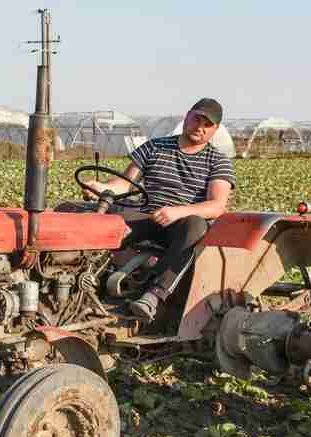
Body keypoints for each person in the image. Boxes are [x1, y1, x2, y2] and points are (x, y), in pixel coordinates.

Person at [84, 98, 235, 320]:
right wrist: (102, 188)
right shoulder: (154, 147)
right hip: (147, 215)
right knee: (104, 217)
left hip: (181, 226)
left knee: (196, 224)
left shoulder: (217, 161)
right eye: (196, 119)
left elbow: (216, 205)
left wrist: (178, 211)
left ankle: (154, 294)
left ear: (215, 129)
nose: (199, 127)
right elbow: (124, 185)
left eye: (207, 124)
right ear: (187, 116)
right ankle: (85, 279)